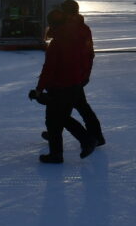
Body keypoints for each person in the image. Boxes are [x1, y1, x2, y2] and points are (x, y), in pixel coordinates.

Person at [34, 9, 97, 163]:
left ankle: (84, 141)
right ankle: (62, 151)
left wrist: (39, 88)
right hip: (74, 84)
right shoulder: (76, 37)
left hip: (60, 87)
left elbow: (49, 68)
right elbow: (85, 58)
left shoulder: (57, 42)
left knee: (54, 119)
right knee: (60, 118)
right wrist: (82, 78)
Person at [60, 0, 105, 147]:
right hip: (78, 75)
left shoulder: (72, 29)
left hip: (71, 76)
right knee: (77, 106)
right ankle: (96, 135)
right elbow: (89, 53)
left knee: (61, 108)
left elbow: (73, 55)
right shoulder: (83, 28)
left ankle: (91, 137)